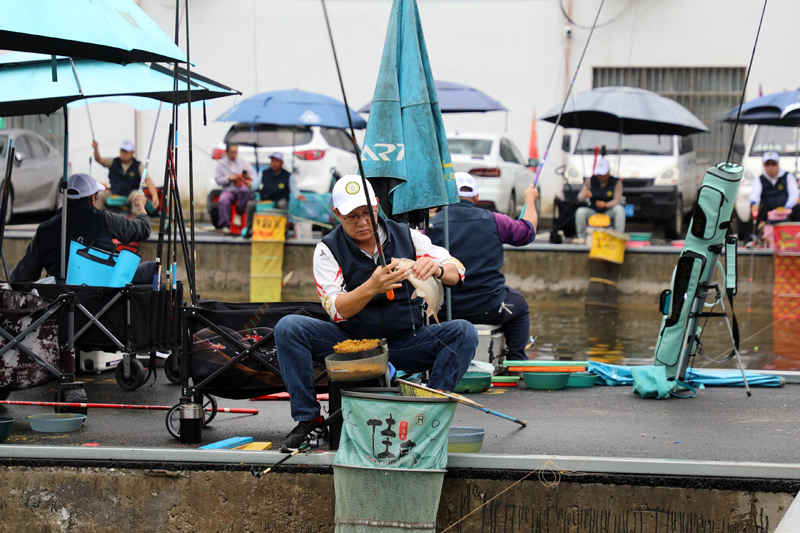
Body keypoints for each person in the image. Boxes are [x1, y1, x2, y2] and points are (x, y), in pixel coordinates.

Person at [273, 175, 478, 451]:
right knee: (288, 327)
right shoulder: (326, 249)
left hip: (406, 342)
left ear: (377, 206)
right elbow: (335, 309)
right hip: (352, 343)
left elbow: (458, 269)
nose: (362, 222)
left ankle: (428, 416)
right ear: (336, 215)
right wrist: (371, 287)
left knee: (464, 332)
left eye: (367, 213)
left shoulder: (408, 235)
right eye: (351, 217)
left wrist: (438, 270)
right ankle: (309, 422)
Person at [428, 172, 538, 362]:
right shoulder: (496, 220)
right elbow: (528, 231)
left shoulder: (431, 226)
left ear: (445, 196)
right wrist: (530, 200)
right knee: (519, 306)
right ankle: (516, 360)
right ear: (476, 197)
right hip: (491, 306)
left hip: (445, 311)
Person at [11, 173, 155, 283]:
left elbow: (21, 278)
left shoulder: (44, 230)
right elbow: (143, 229)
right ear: (93, 198)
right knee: (150, 268)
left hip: (59, 304)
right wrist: (140, 205)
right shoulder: (105, 219)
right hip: (104, 300)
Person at [92, 140, 160, 212]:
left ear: (132, 152)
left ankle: (135, 220)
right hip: (113, 194)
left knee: (136, 195)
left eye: (126, 151)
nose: (124, 154)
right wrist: (96, 149)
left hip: (129, 196)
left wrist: (155, 195)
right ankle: (95, 218)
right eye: (122, 151)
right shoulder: (113, 161)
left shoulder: (139, 166)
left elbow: (147, 180)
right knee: (100, 195)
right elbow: (98, 159)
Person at [574, 157, 625, 243]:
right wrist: (585, 195)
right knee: (580, 211)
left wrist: (606, 204)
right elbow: (580, 197)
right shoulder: (590, 180)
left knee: (619, 209)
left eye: (604, 174)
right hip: (594, 211)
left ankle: (618, 237)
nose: (601, 176)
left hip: (608, 211)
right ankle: (582, 238)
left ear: (608, 171)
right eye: (599, 173)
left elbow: (617, 200)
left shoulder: (616, 182)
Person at [749, 151, 800, 226]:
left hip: (786, 211)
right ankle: (755, 235)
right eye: (767, 164)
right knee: (756, 210)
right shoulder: (760, 179)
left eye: (773, 164)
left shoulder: (788, 176)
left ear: (777, 164)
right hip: (767, 212)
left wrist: (787, 208)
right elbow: (755, 194)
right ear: (764, 165)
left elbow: (794, 194)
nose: (770, 167)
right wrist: (754, 204)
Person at [213, 143, 255, 233]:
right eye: (232, 153)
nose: (234, 155)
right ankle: (225, 225)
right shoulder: (221, 164)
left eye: (236, 152)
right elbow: (218, 180)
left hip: (241, 189)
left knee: (246, 191)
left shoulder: (243, 162)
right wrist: (228, 178)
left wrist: (247, 176)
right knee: (223, 200)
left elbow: (255, 175)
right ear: (227, 152)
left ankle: (238, 214)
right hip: (229, 190)